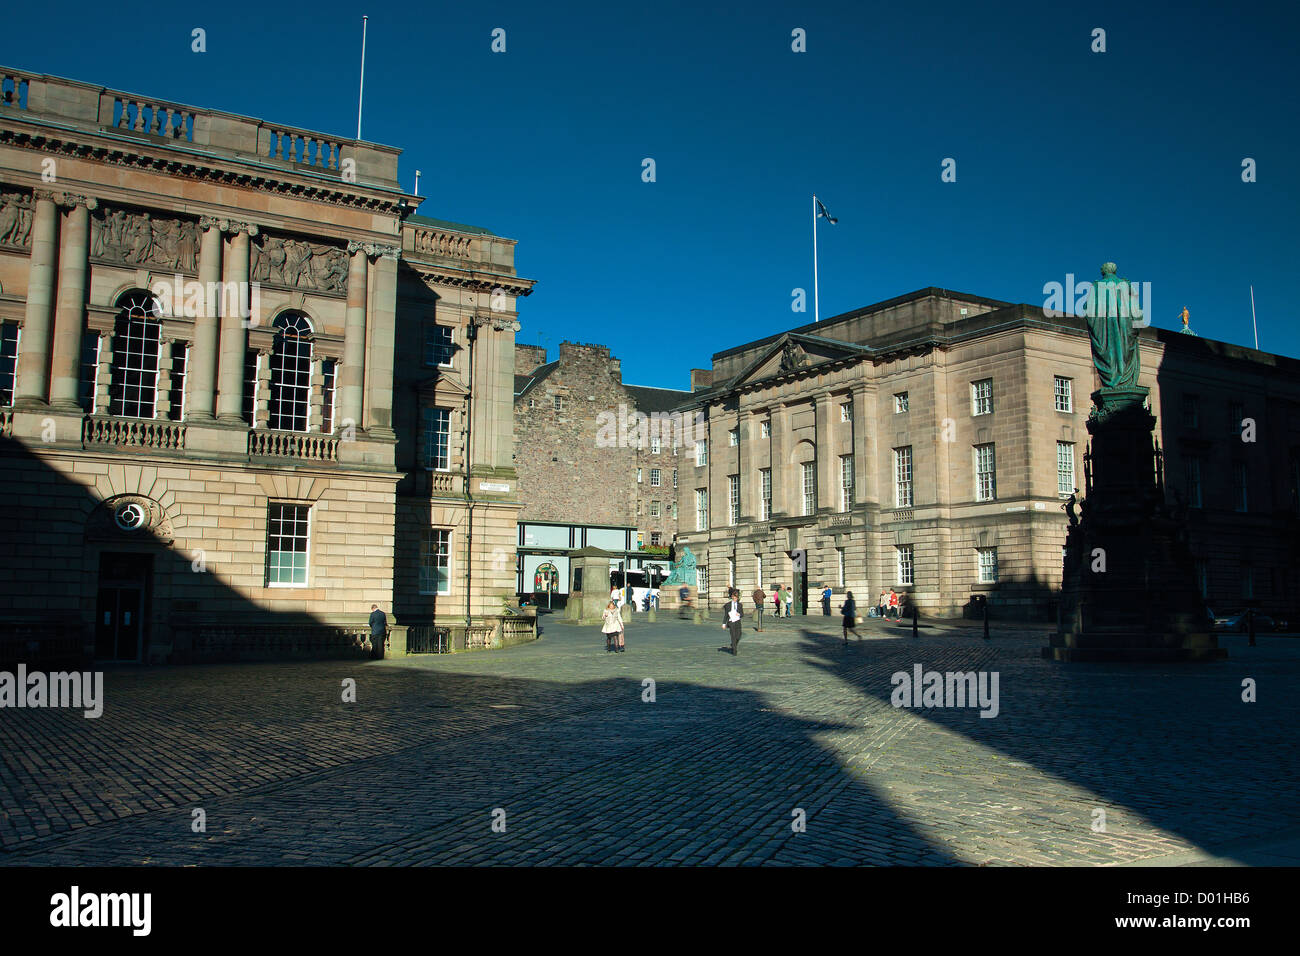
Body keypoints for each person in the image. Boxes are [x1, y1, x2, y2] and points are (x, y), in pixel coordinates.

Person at [722, 588, 745, 655]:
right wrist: (724, 623)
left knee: (738, 635)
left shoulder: (740, 605)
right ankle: (734, 650)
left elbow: (742, 614)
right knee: (733, 636)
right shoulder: (728, 605)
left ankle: (733, 644)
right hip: (731, 622)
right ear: (732, 597)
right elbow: (726, 615)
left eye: (736, 598)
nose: (735, 599)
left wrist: (739, 614)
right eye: (734, 597)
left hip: (737, 621)